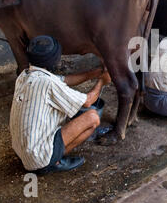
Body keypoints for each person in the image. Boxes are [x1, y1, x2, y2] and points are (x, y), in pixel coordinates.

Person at [9, 35, 111, 175]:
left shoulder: (25, 76)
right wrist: (102, 82)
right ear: (54, 60)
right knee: (92, 117)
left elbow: (65, 80)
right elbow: (87, 101)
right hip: (37, 159)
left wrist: (95, 73)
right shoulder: (48, 84)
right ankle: (53, 162)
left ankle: (49, 158)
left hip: (23, 153)